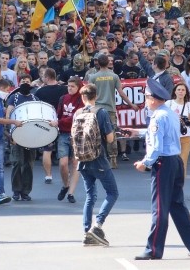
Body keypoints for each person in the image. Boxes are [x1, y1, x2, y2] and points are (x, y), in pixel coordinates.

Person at [133, 78, 190, 260]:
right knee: (177, 205)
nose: (145, 101)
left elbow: (156, 147)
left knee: (159, 207)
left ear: (154, 99)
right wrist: (137, 132)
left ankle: (153, 250)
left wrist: (144, 163)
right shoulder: (170, 113)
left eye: (147, 97)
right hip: (175, 160)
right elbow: (165, 135)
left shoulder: (158, 116)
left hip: (163, 163)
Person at [75, 83, 119, 247]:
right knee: (112, 193)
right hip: (99, 158)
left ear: (82, 97)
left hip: (83, 159)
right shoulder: (101, 112)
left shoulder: (78, 113)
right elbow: (109, 138)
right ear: (97, 96)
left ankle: (86, 232)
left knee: (90, 196)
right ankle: (97, 225)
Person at [88, 53, 139, 168]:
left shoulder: (93, 77)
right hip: (110, 109)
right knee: (111, 134)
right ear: (108, 62)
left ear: (98, 63)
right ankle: (113, 159)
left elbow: (89, 94)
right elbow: (121, 93)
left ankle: (98, 159)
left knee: (97, 134)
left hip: (96, 110)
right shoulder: (114, 76)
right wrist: (131, 104)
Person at [34, 68, 67, 183]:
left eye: (43, 76)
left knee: (47, 150)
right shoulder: (64, 89)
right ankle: (66, 172)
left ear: (47, 78)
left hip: (47, 122)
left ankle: (48, 176)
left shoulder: (40, 91)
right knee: (64, 149)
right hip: (62, 121)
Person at [55, 76, 83, 203]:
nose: (70, 88)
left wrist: (58, 122)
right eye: (68, 86)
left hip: (77, 133)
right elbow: (59, 114)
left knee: (75, 163)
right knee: (63, 163)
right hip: (64, 133)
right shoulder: (63, 98)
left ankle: (71, 192)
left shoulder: (82, 99)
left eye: (73, 86)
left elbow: (77, 117)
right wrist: (58, 122)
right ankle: (65, 185)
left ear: (79, 87)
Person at [165, 82, 190, 177]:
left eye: (183, 90)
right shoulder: (169, 103)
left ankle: (180, 185)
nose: (181, 92)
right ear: (175, 92)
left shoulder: (189, 105)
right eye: (179, 90)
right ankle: (172, 182)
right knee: (172, 161)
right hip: (172, 137)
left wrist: (185, 121)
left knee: (182, 162)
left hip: (185, 136)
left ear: (186, 92)